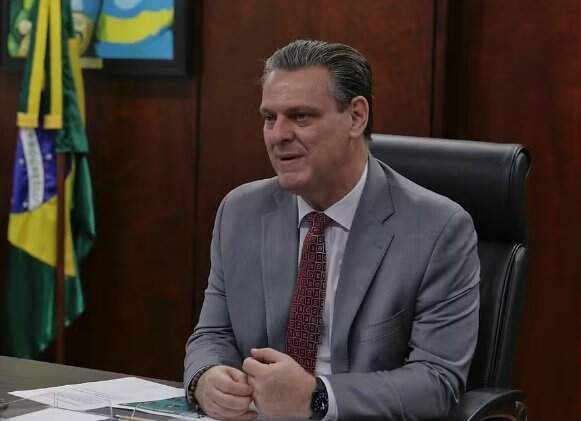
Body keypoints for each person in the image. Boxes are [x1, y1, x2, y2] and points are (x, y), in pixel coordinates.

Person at [184, 39, 480, 420]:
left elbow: (437, 380)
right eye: (269, 118)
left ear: (356, 117)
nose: (278, 135)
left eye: (300, 117)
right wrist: (206, 378)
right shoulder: (240, 212)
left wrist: (317, 398)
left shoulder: (438, 229)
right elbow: (212, 334)